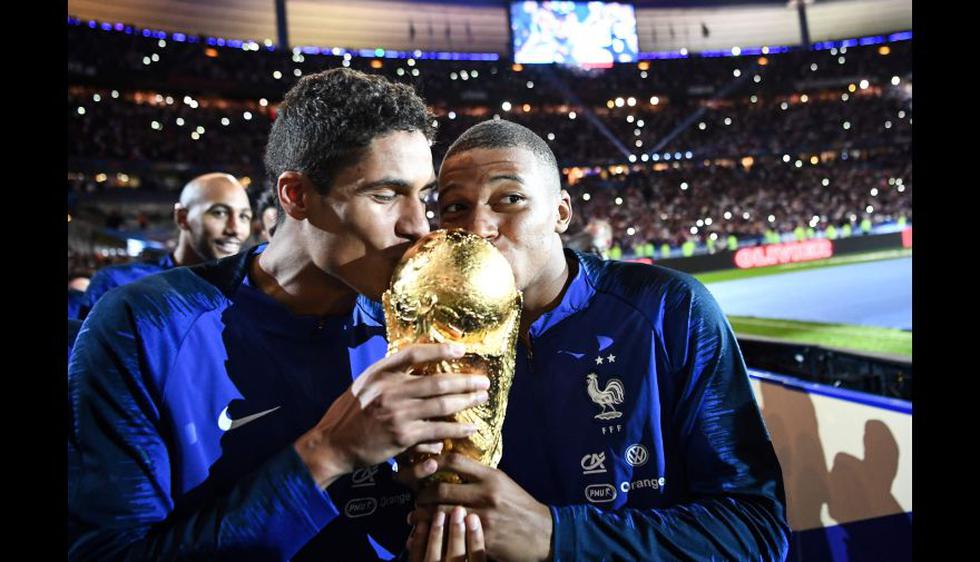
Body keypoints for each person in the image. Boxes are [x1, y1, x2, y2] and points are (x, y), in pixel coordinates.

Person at [68, 68, 491, 561]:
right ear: (295, 195)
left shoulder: (415, 325)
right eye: (384, 195)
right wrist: (327, 453)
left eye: (425, 197)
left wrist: (429, 497)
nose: (418, 226)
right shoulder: (147, 326)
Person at [406, 120, 789, 561]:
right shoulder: (436, 339)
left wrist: (558, 537)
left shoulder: (669, 309)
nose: (479, 227)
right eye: (455, 208)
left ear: (561, 213)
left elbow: (754, 532)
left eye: (510, 199)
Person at [76, 173, 252, 318]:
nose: (235, 229)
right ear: (182, 218)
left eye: (244, 216)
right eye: (219, 213)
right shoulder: (117, 284)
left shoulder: (250, 296)